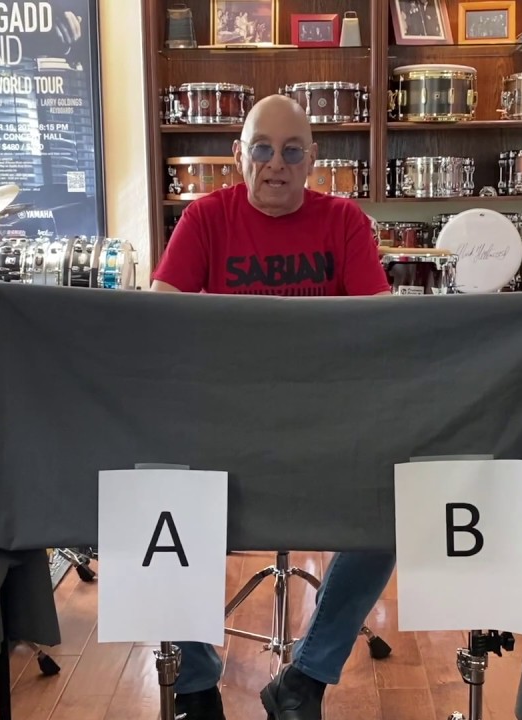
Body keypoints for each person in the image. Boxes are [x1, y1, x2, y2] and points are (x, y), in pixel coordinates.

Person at [150, 95, 396, 720]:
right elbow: (157, 320)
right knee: (157, 500)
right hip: (224, 428)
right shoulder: (204, 218)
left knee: (394, 509)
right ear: (240, 155)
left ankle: (306, 679)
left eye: (292, 151)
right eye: (262, 148)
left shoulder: (345, 222)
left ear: (312, 159)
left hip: (324, 431)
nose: (276, 164)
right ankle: (198, 686)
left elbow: (381, 332)